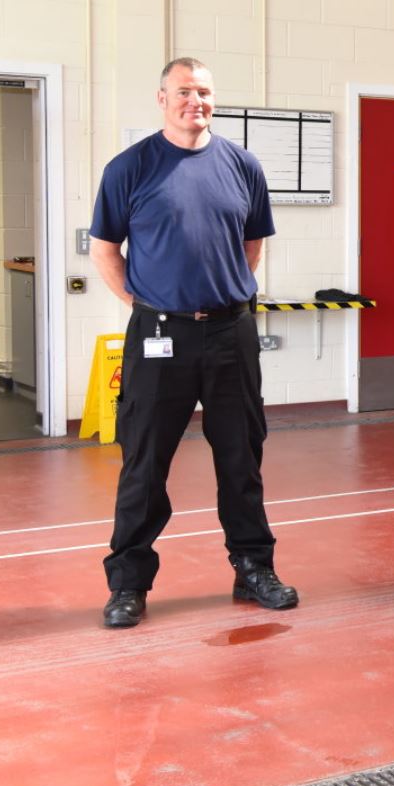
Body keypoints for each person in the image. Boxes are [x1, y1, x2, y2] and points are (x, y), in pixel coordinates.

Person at [89, 57, 297, 629]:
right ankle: (129, 583)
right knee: (144, 462)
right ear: (161, 99)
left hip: (231, 332)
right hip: (159, 334)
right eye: (183, 92)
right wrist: (146, 303)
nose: (195, 102)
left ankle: (254, 568)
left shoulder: (242, 165)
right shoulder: (129, 168)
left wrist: (222, 296)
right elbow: (105, 252)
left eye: (203, 92)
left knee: (241, 457)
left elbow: (251, 245)